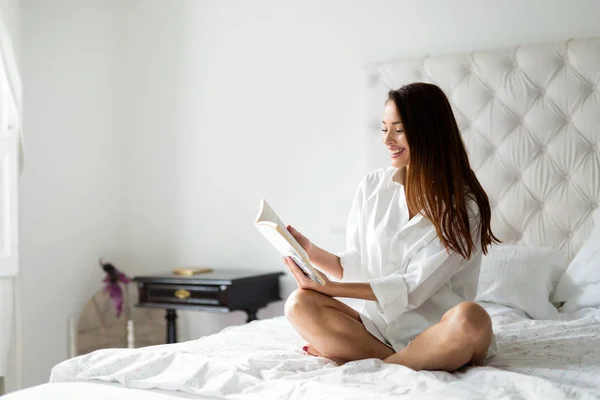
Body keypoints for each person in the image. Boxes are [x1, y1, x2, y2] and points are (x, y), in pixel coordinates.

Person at [283, 82, 500, 371]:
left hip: (440, 333)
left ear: (428, 132)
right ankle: (398, 361)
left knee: (472, 319)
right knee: (299, 304)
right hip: (378, 331)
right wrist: (310, 252)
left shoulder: (465, 206)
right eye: (384, 129)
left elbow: (412, 289)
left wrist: (329, 288)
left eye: (398, 129)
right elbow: (360, 263)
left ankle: (374, 362)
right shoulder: (373, 186)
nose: (387, 140)